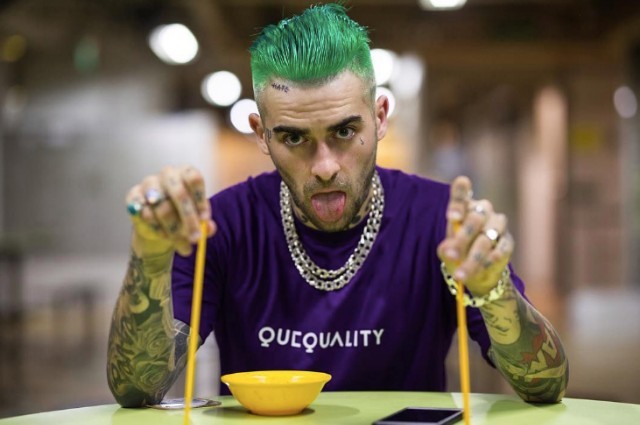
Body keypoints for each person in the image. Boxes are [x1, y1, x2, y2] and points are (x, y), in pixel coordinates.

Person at [106, 3, 568, 408]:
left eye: (344, 132)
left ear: (380, 117)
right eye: (293, 138)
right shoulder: (222, 225)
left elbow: (546, 386)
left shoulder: (439, 220)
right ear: (261, 134)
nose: (325, 166)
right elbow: (137, 390)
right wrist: (150, 258)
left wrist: (494, 292)